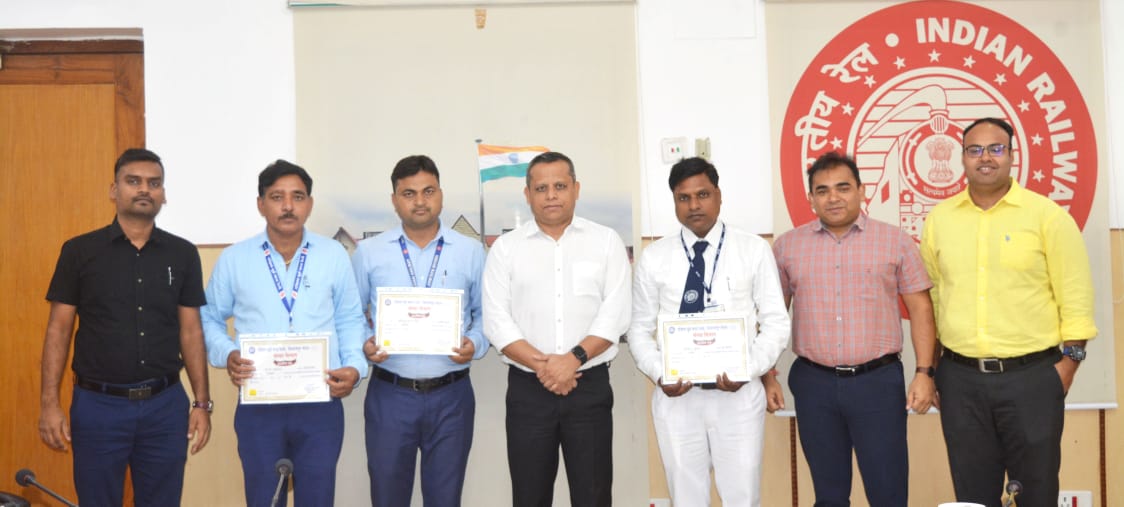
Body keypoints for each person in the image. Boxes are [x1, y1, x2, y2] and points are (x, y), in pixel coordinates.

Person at [921, 117, 1097, 507]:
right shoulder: (940, 219)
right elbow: (932, 302)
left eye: (995, 149)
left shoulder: (1046, 216)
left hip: (1032, 379)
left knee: (1035, 492)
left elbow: (1076, 298)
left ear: (1012, 156)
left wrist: (1068, 367)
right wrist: (932, 371)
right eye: (975, 150)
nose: (985, 158)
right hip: (961, 381)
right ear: (963, 157)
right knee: (972, 495)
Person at [39, 148, 212, 506]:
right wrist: (49, 404)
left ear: (163, 194)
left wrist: (202, 403)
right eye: (133, 181)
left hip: (165, 406)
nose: (145, 189)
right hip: (98, 407)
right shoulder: (79, 252)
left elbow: (191, 331)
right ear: (114, 190)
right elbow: (58, 330)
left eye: (154, 183)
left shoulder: (182, 254)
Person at [767, 151, 937, 506]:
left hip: (878, 383)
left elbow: (921, 308)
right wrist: (767, 375)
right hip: (814, 384)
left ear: (862, 191)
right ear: (811, 198)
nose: (833, 197)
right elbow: (772, 316)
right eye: (823, 190)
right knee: (829, 495)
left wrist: (925, 373)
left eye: (843, 188)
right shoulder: (786, 247)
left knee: (888, 492)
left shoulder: (895, 241)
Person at [201, 160, 367, 507]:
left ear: (310, 203)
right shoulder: (235, 259)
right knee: (264, 498)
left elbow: (350, 318)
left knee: (317, 498)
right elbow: (209, 318)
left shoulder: (333, 255)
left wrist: (354, 366)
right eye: (277, 197)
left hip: (320, 401)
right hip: (260, 403)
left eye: (297, 197)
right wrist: (227, 354)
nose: (288, 206)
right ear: (261, 204)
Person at [628, 157, 789, 506]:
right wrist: (659, 374)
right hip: (677, 398)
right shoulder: (654, 257)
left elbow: (776, 322)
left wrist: (749, 369)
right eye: (683, 198)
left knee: (742, 496)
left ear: (718, 195)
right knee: (685, 496)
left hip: (738, 396)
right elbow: (639, 329)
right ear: (674, 202)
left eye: (702, 194)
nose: (694, 205)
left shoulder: (753, 249)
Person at [482, 151, 631, 506]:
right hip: (528, 391)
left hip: (589, 388)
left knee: (593, 495)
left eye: (560, 186)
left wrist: (572, 359)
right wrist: (546, 367)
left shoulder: (605, 241)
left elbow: (615, 314)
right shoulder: (506, 249)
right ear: (527, 194)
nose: (551, 195)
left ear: (576, 189)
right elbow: (497, 321)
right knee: (529, 496)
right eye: (541, 188)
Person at [352, 155, 487, 506]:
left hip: (451, 396)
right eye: (408, 193)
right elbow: (351, 315)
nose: (420, 201)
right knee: (387, 496)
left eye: (428, 191)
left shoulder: (471, 252)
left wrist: (475, 343)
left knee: (445, 498)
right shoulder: (369, 252)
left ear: (441, 194)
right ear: (394, 200)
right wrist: (365, 343)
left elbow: (485, 315)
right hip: (390, 394)